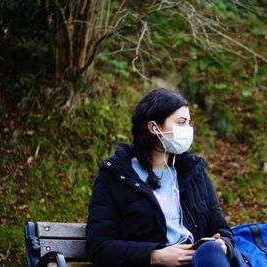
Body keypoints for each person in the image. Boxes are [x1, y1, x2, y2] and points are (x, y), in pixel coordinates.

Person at [86, 88, 235, 267]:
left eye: (189, 123)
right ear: (153, 127)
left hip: (199, 262)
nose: (188, 130)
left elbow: (221, 229)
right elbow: (99, 245)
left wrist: (223, 244)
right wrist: (154, 256)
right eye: (181, 122)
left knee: (211, 251)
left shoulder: (193, 172)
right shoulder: (116, 176)